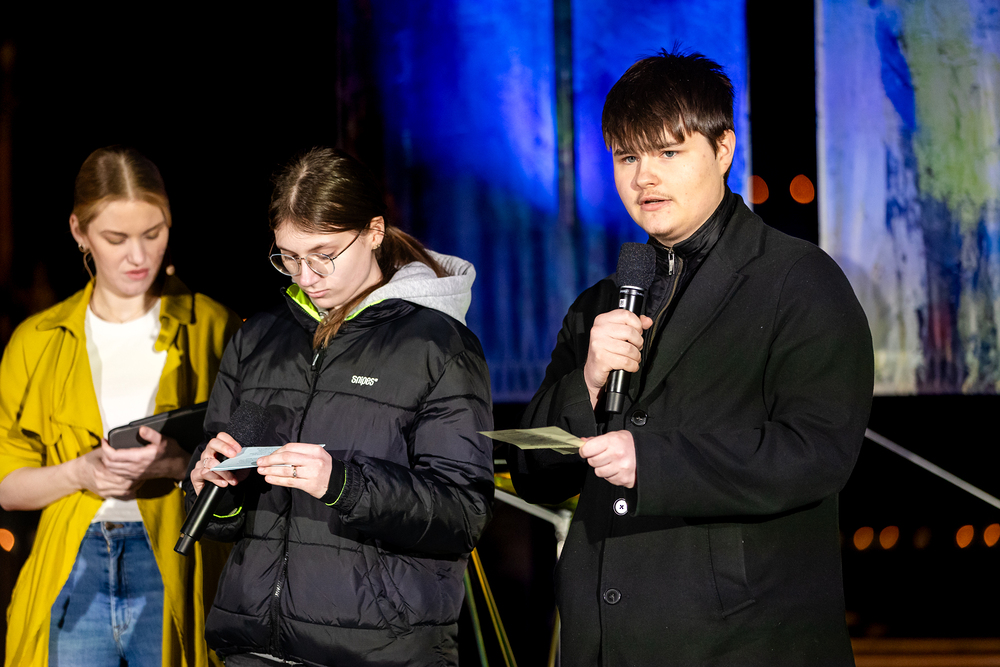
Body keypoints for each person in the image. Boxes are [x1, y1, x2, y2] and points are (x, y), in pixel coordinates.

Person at [509, 49, 874, 666]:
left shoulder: (797, 280)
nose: (644, 178)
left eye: (668, 153)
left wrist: (652, 463)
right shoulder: (601, 303)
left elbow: (816, 452)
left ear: (723, 149)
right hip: (603, 640)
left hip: (742, 642)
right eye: (628, 158)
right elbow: (533, 472)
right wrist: (587, 384)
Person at [185, 147, 494, 667]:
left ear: (374, 231)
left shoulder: (438, 345)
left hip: (377, 652)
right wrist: (212, 488)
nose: (305, 275)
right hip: (252, 646)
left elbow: (463, 514)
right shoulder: (258, 338)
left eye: (323, 254)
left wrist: (344, 484)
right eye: (288, 256)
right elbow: (223, 515)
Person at [0, 146, 241, 666]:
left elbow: (253, 470)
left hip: (177, 557)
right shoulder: (36, 340)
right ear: (79, 231)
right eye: (116, 238)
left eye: (153, 233)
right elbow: (6, 485)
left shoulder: (214, 326)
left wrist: (178, 464)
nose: (138, 256)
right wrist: (80, 472)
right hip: (73, 566)